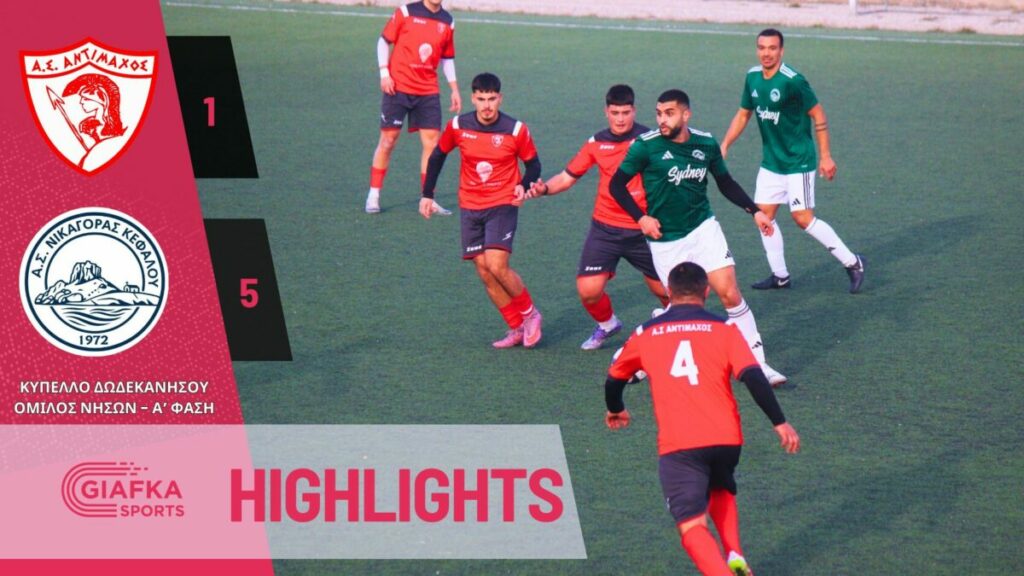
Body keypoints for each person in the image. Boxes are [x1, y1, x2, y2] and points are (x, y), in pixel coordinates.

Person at [604, 261, 801, 576]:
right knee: (721, 487)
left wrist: (616, 407)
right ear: (706, 291)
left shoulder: (647, 332)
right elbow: (754, 377)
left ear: (669, 292)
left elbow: (615, 378)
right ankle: (734, 554)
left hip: (680, 445)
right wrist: (779, 422)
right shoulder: (725, 328)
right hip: (726, 439)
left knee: (692, 526)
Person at [609, 89, 787, 386]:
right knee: (680, 309)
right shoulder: (645, 146)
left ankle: (758, 365)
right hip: (666, 239)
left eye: (669, 113)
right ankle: (633, 357)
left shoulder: (706, 144)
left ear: (686, 114)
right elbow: (616, 185)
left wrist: (755, 211)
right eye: (659, 113)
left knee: (729, 292)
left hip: (703, 229)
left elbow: (725, 183)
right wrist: (641, 218)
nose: (662, 120)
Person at [720, 28, 865, 294]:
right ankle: (780, 276)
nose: (766, 53)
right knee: (763, 217)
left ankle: (853, 263)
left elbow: (818, 114)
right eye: (762, 48)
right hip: (771, 163)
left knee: (803, 218)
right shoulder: (752, 77)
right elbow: (743, 114)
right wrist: (725, 144)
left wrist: (826, 156)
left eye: (772, 48)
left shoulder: (793, 81)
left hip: (799, 162)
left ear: (781, 51)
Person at [525, 84, 668, 351]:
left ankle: (678, 329)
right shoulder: (596, 143)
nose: (620, 119)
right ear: (606, 112)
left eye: (625, 112)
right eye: (615, 113)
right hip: (605, 229)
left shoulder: (650, 140)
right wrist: (544, 189)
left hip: (644, 229)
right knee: (588, 291)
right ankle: (608, 324)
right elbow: (567, 178)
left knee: (664, 291)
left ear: (634, 111)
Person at [420, 72, 543, 348]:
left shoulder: (515, 130)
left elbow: (534, 165)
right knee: (485, 271)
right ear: (473, 99)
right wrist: (427, 194)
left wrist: (523, 185)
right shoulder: (458, 126)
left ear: (500, 98)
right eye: (481, 99)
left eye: (492, 99)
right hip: (470, 206)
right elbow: (438, 156)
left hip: (502, 203)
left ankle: (531, 315)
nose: (487, 106)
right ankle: (516, 327)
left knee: (497, 265)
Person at [365, 0, 461, 215]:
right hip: (397, 87)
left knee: (432, 144)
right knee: (388, 141)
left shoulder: (448, 21)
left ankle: (428, 198)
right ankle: (374, 194)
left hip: (428, 91)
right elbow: (383, 41)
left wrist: (454, 88)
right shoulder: (406, 12)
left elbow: (447, 58)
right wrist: (384, 73)